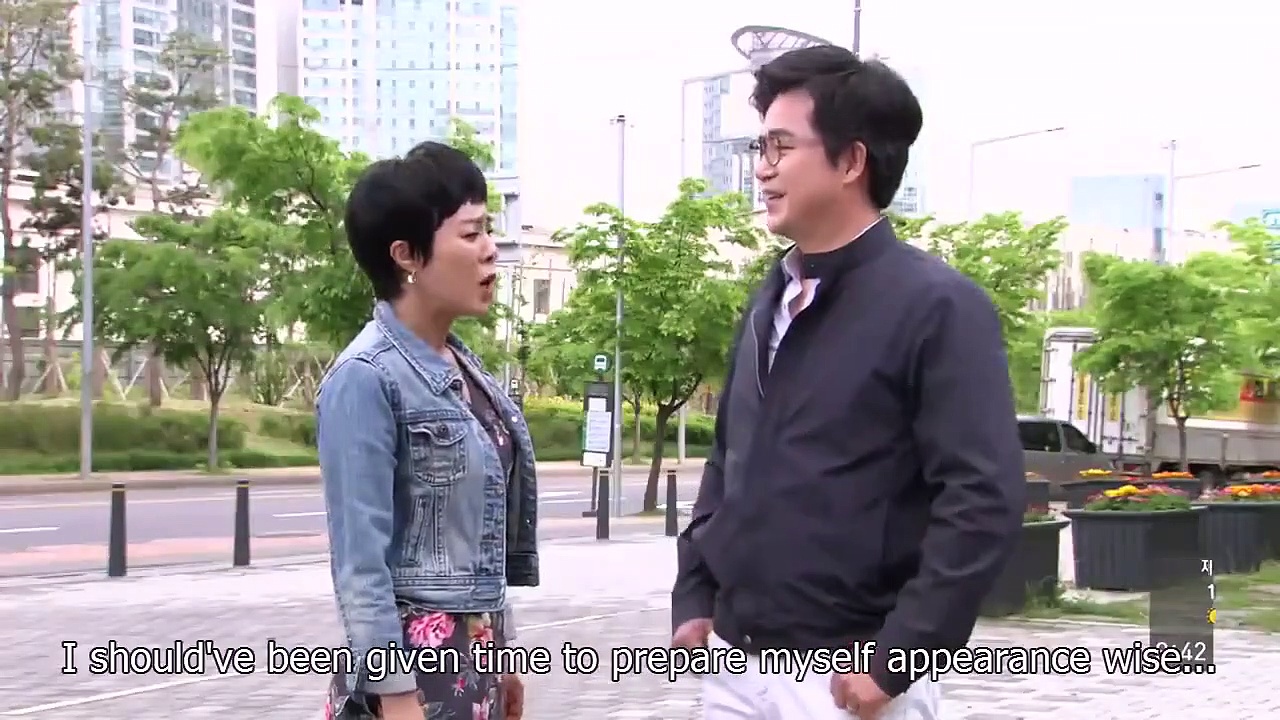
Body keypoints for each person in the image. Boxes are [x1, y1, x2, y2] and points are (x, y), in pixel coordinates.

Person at [671, 45, 1024, 719]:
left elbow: (982, 500)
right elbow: (729, 458)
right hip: (737, 667)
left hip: (851, 677)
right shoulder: (769, 299)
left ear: (852, 161)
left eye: (781, 146)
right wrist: (695, 592)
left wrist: (901, 658)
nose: (763, 167)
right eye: (760, 146)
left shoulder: (938, 307)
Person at [318, 141, 539, 720]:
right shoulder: (365, 378)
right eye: (471, 234)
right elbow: (360, 566)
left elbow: (478, 538)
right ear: (407, 255)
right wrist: (395, 698)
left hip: (475, 664)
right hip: (412, 680)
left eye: (488, 231)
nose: (490, 250)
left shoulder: (464, 368)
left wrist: (505, 653)